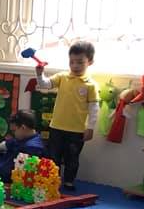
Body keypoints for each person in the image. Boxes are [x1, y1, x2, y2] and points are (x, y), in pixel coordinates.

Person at [34, 41, 98, 191]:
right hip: (56, 127)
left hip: (77, 130)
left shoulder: (90, 85)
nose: (75, 66)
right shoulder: (62, 77)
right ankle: (53, 180)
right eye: (72, 62)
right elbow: (45, 85)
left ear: (90, 62)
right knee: (54, 156)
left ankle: (69, 181)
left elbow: (94, 108)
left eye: (80, 62)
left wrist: (90, 127)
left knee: (72, 157)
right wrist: (39, 74)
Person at [0, 110, 45, 184]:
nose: (13, 134)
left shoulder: (32, 148)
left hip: (8, 177)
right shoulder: (23, 137)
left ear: (23, 128)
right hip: (4, 167)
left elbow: (20, 173)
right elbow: (9, 143)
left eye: (14, 131)